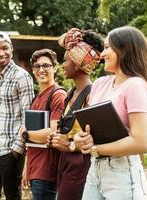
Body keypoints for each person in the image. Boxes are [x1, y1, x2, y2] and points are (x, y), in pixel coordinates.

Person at [74, 26, 147, 200]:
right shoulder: (100, 84)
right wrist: (80, 140)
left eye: (108, 47)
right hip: (95, 171)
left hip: (122, 174)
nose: (102, 54)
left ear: (124, 50)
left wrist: (95, 149)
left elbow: (142, 142)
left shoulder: (136, 86)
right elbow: (89, 128)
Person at [0, 31, 35, 200]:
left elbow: (28, 116)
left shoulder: (22, 76)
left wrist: (16, 150)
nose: (1, 53)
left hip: (9, 151)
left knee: (12, 196)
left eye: (5, 48)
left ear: (11, 48)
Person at [51, 28, 104, 200]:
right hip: (65, 161)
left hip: (81, 165)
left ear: (78, 62)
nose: (62, 65)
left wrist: (69, 144)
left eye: (66, 60)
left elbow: (96, 138)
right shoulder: (70, 93)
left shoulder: (91, 95)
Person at [20, 49, 67, 200]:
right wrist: (27, 168)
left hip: (47, 171)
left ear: (55, 67)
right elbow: (31, 144)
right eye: (37, 66)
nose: (41, 70)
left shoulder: (58, 95)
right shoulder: (36, 98)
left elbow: (53, 133)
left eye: (46, 66)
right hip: (34, 169)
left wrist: (25, 134)